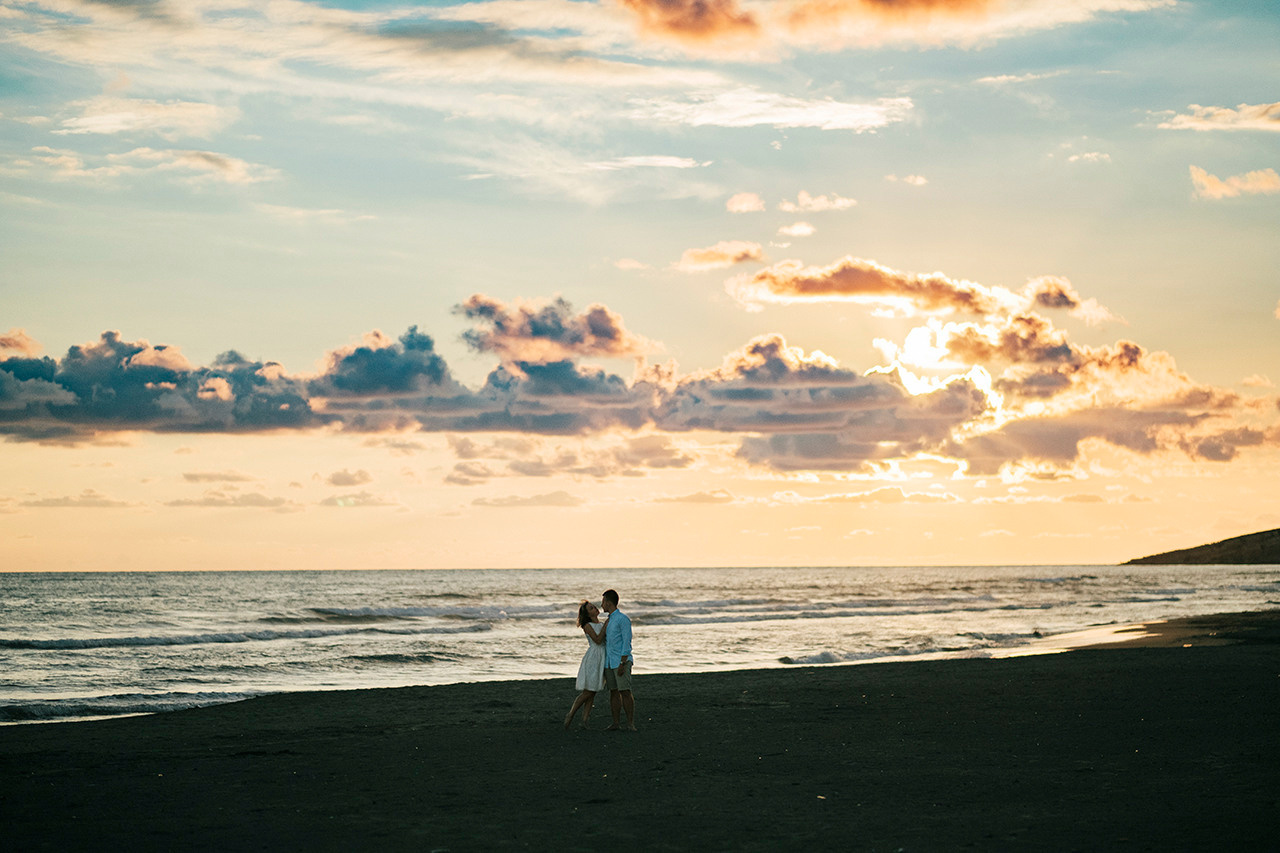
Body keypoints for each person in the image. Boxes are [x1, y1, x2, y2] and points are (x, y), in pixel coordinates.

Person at [563, 599, 607, 730]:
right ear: (588, 614)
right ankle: (570, 714)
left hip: (602, 657)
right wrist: (606, 626)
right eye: (591, 608)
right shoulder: (587, 625)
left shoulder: (602, 623)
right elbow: (598, 640)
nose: (595, 608)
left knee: (592, 692)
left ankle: (584, 720)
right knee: (588, 691)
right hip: (594, 658)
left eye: (594, 606)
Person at [600, 588, 636, 731]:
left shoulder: (622, 619)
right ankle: (616, 723)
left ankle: (630, 723)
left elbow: (627, 642)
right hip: (610, 662)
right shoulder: (609, 621)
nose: (601, 605)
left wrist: (622, 662)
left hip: (621, 661)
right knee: (613, 692)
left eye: (603, 602)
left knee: (625, 691)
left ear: (608, 603)